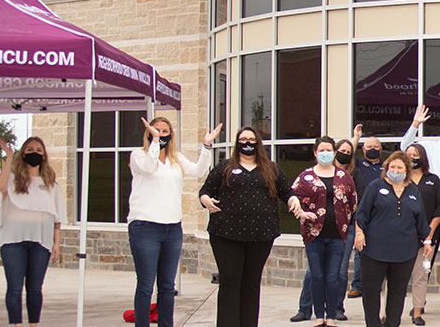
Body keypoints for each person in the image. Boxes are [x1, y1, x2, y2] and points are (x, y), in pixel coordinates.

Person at [199, 126, 307, 327]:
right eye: (243, 139)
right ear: (237, 143)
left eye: (251, 139)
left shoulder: (271, 168)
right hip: (226, 234)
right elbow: (205, 191)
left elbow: (287, 192)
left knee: (251, 283)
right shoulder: (225, 167)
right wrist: (206, 200)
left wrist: (294, 201)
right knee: (230, 281)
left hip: (261, 235)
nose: (247, 143)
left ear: (257, 143)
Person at [127, 117, 220, 327]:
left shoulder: (175, 158)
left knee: (167, 286)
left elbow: (198, 171)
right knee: (145, 285)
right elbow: (150, 168)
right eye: (156, 130)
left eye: (165, 130)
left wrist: (206, 146)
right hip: (145, 227)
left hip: (172, 228)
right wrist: (154, 142)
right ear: (149, 131)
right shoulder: (139, 156)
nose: (161, 134)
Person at [295, 132, 374, 322]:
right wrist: (300, 212)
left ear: (334, 152)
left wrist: (349, 223)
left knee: (333, 277)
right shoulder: (306, 176)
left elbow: (354, 202)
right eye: (321, 150)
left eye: (328, 150)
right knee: (315, 276)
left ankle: (331, 315)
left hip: (339, 235)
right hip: (313, 235)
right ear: (315, 153)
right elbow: (292, 197)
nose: (325, 153)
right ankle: (317, 316)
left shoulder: (344, 176)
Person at [355, 150, 432, 327]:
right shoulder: (375, 186)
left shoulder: (413, 190)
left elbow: (421, 220)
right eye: (392, 167)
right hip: (374, 251)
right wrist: (359, 233)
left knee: (397, 293)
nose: (395, 171)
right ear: (386, 168)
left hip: (404, 253)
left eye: (400, 167)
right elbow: (362, 214)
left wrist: (427, 241)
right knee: (371, 292)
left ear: (406, 170)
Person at [0, 136, 65, 327]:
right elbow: (0, 186)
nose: (35, 153)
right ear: (23, 152)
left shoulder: (51, 183)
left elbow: (57, 217)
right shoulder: (12, 179)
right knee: (15, 288)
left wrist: (56, 243)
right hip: (13, 241)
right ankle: (16, 325)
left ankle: (33, 324)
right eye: (30, 149)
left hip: (41, 242)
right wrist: (9, 157)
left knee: (35, 289)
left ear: (44, 155)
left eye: (39, 150)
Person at [407, 143, 440, 326]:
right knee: (397, 275)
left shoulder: (433, 179)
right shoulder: (401, 179)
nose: (412, 158)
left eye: (415, 155)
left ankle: (417, 310)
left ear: (422, 157)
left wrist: (430, 229)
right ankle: (390, 311)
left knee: (421, 274)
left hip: (427, 236)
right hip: (402, 236)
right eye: (408, 155)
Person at [348, 133, 388, 299]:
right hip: (363, 214)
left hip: (383, 214)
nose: (373, 149)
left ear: (381, 149)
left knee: (383, 251)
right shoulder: (357, 165)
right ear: (363, 149)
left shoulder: (387, 166)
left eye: (376, 147)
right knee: (360, 251)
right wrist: (356, 138)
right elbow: (347, 153)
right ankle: (358, 285)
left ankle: (379, 285)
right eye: (369, 147)